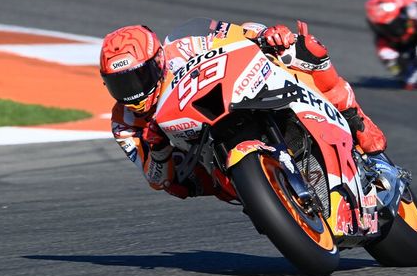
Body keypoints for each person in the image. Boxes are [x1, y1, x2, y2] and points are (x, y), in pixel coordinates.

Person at [99, 20, 386, 199]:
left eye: (138, 78)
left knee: (307, 49)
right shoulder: (124, 123)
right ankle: (265, 197)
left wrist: (268, 36)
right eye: (120, 85)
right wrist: (158, 148)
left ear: (158, 61)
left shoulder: (185, 46)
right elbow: (157, 180)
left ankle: (356, 121)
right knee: (179, 186)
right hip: (206, 156)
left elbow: (242, 33)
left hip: (236, 98)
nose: (132, 92)